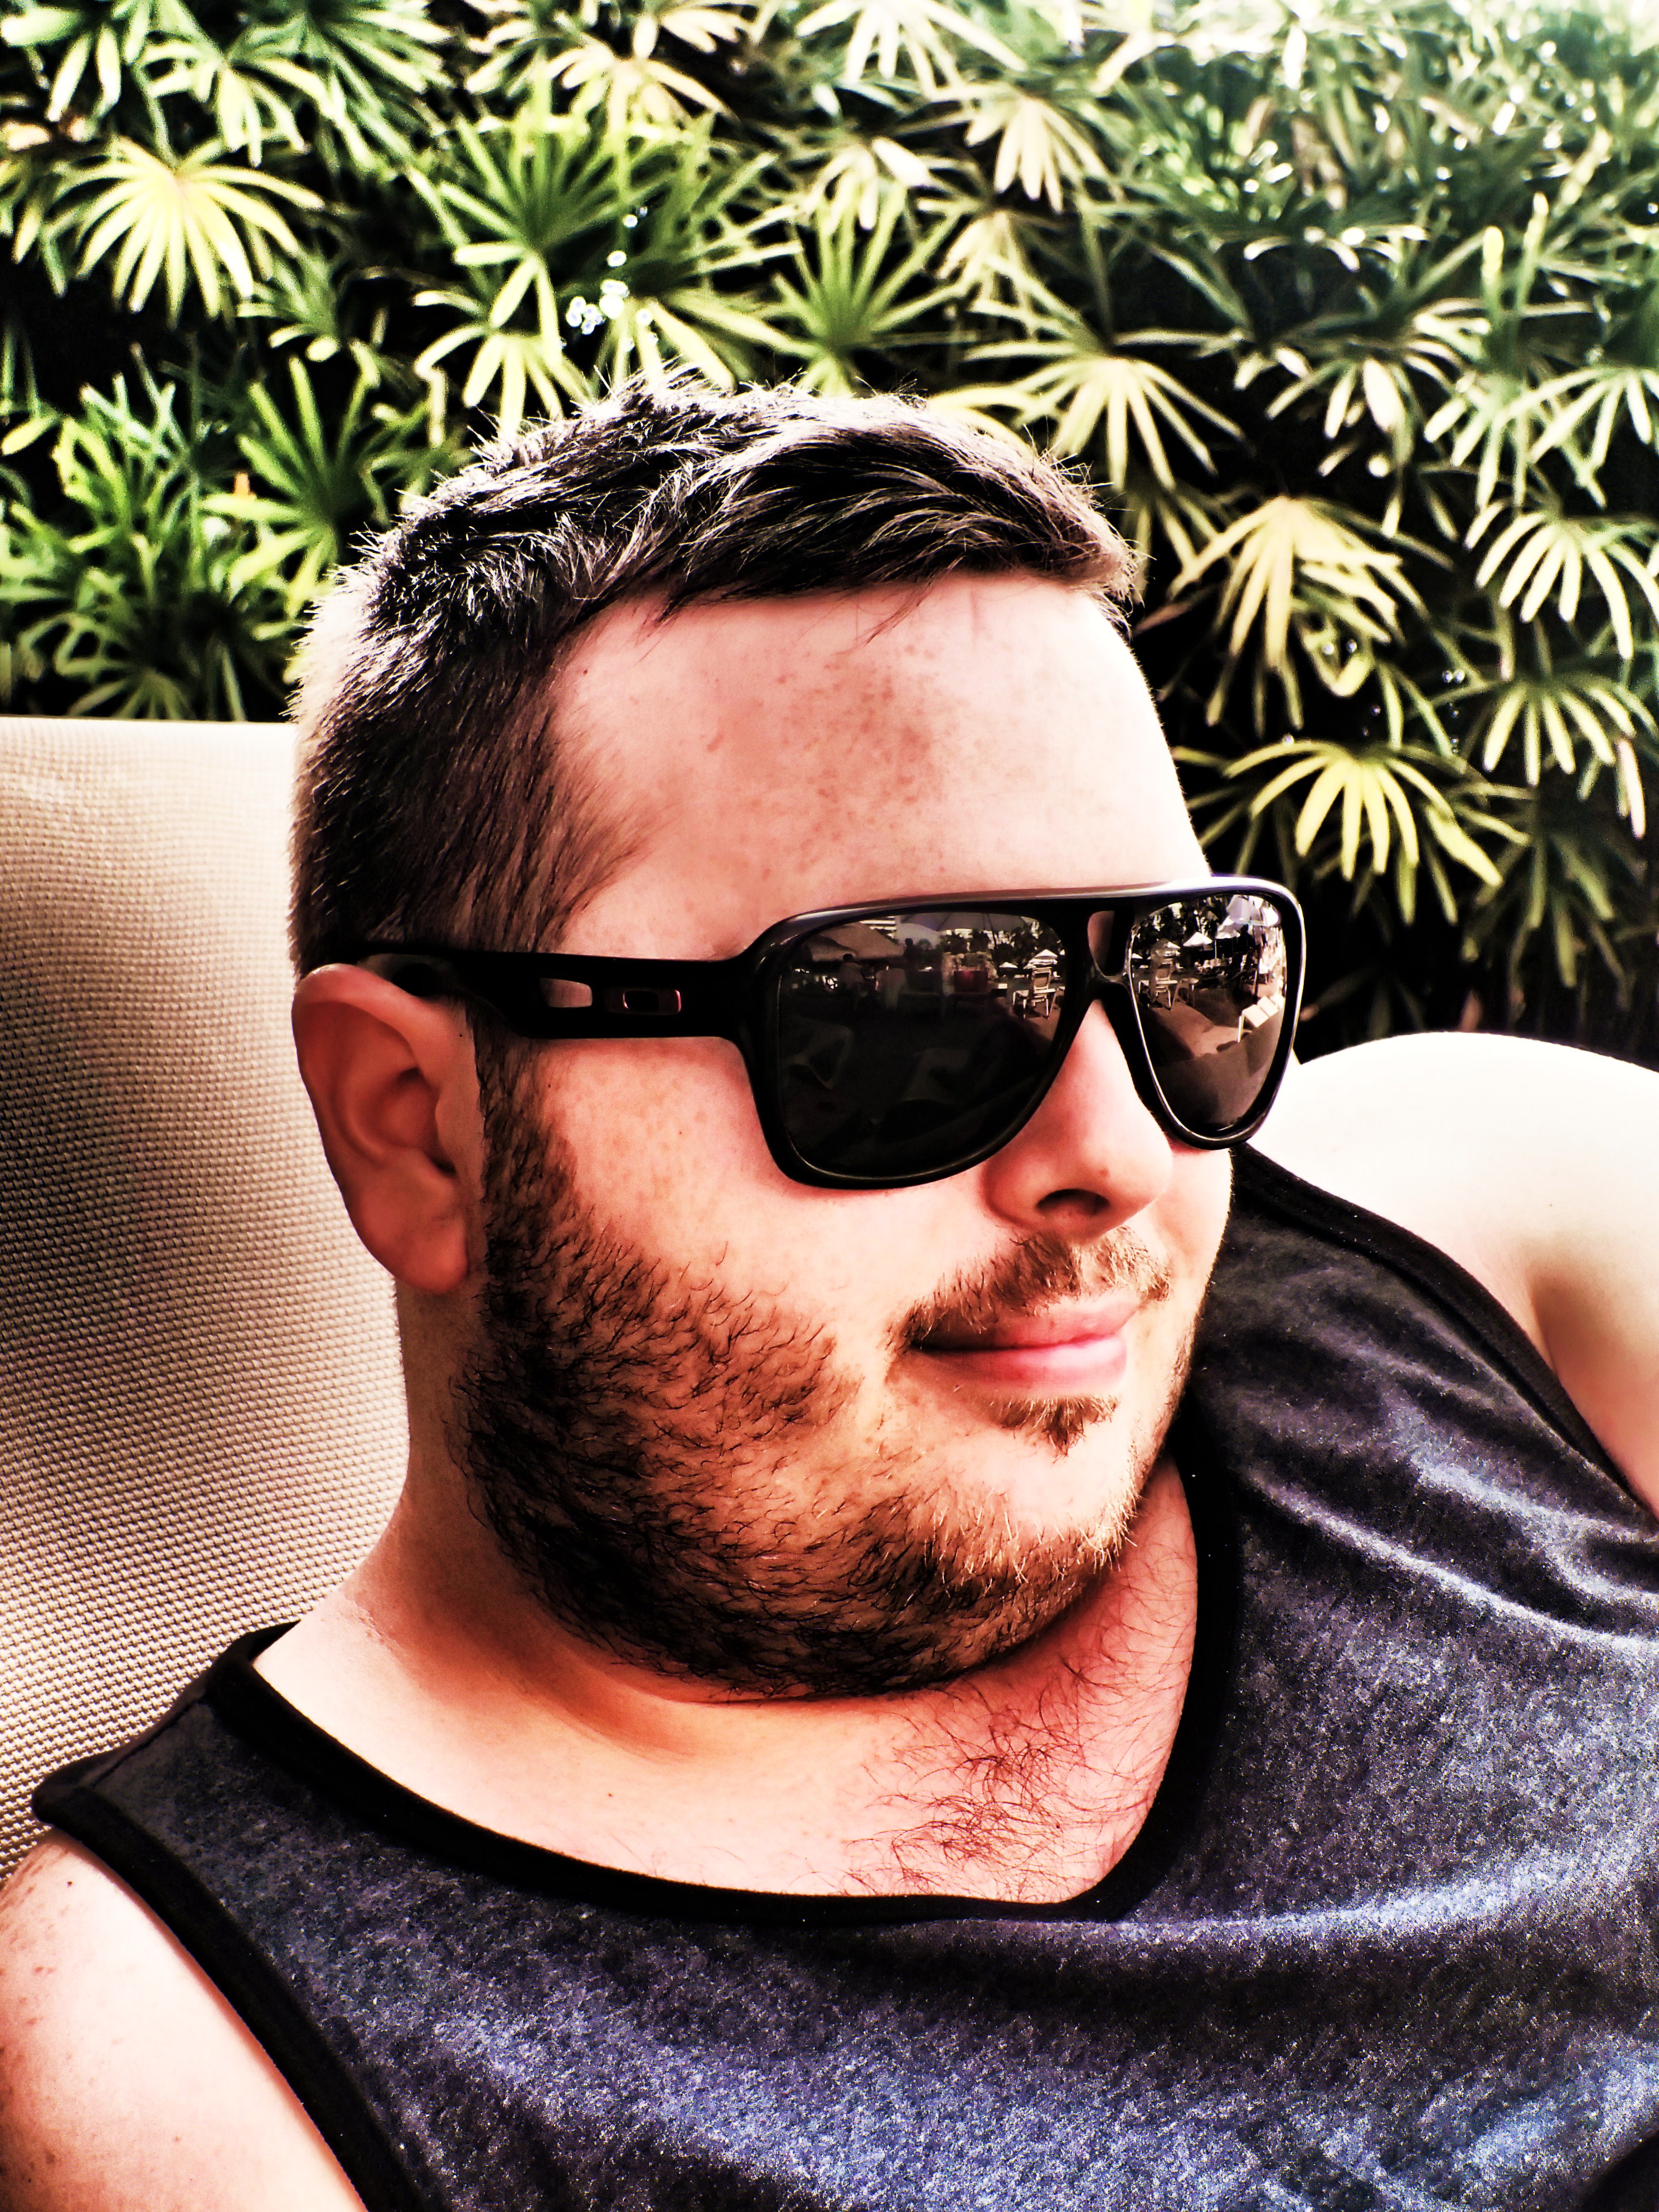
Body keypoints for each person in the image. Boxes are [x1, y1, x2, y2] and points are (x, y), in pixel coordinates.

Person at [2, 384, 1658, 2212]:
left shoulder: (1490, 1225)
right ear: (419, 1127)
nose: (1120, 1153)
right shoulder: (202, 2068)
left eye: (1186, 975)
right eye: (904, 1009)